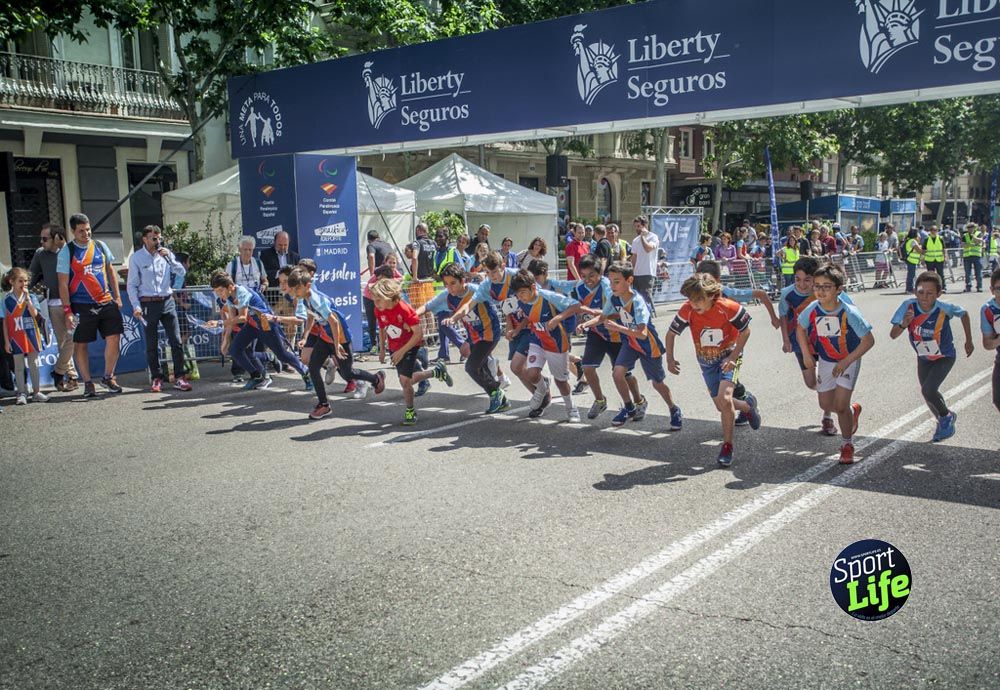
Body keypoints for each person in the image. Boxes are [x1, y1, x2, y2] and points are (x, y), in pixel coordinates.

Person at [666, 273, 759, 466]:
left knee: (724, 400)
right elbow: (671, 334)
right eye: (691, 299)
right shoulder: (687, 310)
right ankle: (747, 406)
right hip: (706, 361)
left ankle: (727, 446)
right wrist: (670, 358)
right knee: (721, 405)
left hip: (728, 357)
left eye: (699, 299)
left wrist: (733, 357)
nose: (695, 304)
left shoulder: (727, 307)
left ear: (711, 295)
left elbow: (746, 330)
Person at [584, 261, 683, 429]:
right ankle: (629, 407)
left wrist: (617, 327)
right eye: (611, 280)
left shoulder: (638, 302)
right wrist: (587, 324)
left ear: (629, 281)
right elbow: (603, 317)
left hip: (647, 345)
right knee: (617, 373)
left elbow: (642, 333)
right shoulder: (614, 298)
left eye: (617, 281)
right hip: (630, 343)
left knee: (658, 383)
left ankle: (674, 409)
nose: (612, 285)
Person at [796, 265, 873, 464]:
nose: (820, 291)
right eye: (817, 286)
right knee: (825, 404)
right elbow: (800, 328)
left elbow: (868, 340)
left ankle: (847, 445)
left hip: (848, 360)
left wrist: (846, 361)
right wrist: (806, 354)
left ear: (838, 289)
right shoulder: (812, 309)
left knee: (839, 405)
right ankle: (852, 411)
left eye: (827, 287)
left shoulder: (849, 312)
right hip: (826, 360)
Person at [288, 267, 385, 419]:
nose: (295, 292)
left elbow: (334, 321)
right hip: (326, 336)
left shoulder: (315, 299)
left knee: (347, 372)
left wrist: (336, 344)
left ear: (307, 286)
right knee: (313, 368)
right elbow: (311, 317)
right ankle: (324, 405)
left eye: (297, 289)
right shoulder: (305, 299)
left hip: (339, 338)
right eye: (293, 289)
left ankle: (376, 378)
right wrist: (306, 336)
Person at [890, 270, 974, 442]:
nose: (924, 297)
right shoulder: (908, 307)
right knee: (928, 393)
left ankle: (945, 418)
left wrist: (969, 340)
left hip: (945, 356)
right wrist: (904, 323)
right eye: (920, 292)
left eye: (930, 293)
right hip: (924, 357)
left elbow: (964, 314)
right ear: (915, 291)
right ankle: (946, 416)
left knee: (929, 389)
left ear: (939, 294)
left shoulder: (944, 308)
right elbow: (893, 334)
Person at [695, 258, 778, 426]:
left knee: (725, 388)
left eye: (707, 280)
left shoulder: (727, 293)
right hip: (710, 351)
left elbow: (761, 294)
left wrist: (774, 318)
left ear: (717, 281)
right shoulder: (696, 297)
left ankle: (747, 405)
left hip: (731, 348)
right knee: (729, 383)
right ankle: (747, 401)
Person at [57, 212, 124, 398]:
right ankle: (87, 383)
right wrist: (67, 311)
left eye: (88, 230)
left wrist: (117, 297)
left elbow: (111, 271)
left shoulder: (100, 246)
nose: (86, 234)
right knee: (81, 344)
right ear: (73, 231)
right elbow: (62, 283)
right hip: (81, 305)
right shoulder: (67, 251)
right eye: (81, 231)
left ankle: (108, 376)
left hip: (105, 300)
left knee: (114, 338)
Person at [429, 263, 510, 414]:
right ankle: (501, 399)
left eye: (453, 283)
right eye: (446, 284)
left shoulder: (475, 290)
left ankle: (495, 392)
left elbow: (496, 297)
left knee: (471, 366)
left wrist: (453, 319)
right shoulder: (449, 297)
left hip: (489, 333)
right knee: (481, 367)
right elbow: (428, 305)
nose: (450, 287)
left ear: (462, 280)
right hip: (474, 336)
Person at [210, 271, 310, 391]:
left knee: (282, 355)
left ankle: (306, 373)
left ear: (230, 287)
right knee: (235, 349)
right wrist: (225, 338)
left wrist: (219, 323)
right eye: (217, 292)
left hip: (266, 324)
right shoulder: (229, 297)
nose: (219, 294)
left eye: (221, 291)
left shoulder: (241, 292)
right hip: (252, 325)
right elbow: (232, 319)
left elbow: (242, 317)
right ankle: (257, 376)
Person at [371, 277, 451, 425]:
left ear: (388, 296)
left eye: (378, 300)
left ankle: (410, 411)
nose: (375, 304)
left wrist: (402, 351)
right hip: (394, 347)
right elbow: (382, 328)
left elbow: (418, 334)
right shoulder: (379, 309)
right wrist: (382, 349)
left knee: (404, 380)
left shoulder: (404, 308)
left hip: (410, 345)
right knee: (408, 380)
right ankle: (436, 372)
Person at [572, 255, 642, 420]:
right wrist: (582, 319)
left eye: (592, 276)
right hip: (597, 333)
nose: (588, 280)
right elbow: (582, 308)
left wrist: (593, 315)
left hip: (617, 335)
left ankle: (638, 401)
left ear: (600, 273)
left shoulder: (608, 287)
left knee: (623, 374)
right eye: (584, 276)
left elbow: (617, 313)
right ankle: (600, 400)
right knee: (588, 367)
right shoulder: (580, 287)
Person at [126, 225, 193, 393]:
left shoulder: (166, 253)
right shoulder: (136, 258)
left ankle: (180, 377)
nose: (157, 242)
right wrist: (136, 305)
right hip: (148, 303)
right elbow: (132, 285)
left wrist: (169, 259)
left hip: (167, 300)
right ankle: (157, 377)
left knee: (176, 340)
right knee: (152, 343)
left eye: (159, 238)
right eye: (154, 238)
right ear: (145, 239)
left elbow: (181, 272)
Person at [511, 269, 584, 421]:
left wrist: (557, 318)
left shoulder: (548, 296)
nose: (520, 297)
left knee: (561, 381)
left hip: (556, 343)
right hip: (537, 340)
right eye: (518, 294)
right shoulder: (520, 300)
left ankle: (571, 409)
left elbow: (576, 306)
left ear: (533, 287)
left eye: (523, 292)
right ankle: (542, 389)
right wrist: (517, 329)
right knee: (531, 373)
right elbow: (529, 316)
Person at [29, 223, 78, 391]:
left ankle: (58, 372)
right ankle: (71, 376)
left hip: (73, 302)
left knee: (73, 339)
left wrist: (63, 246)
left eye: (45, 239)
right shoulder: (40, 254)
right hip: (53, 303)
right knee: (63, 342)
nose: (41, 242)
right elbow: (31, 277)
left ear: (57, 238)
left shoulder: (70, 251)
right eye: (40, 239)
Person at [2, 267, 48, 405]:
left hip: (31, 334)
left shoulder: (32, 297)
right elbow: (4, 321)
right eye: (20, 281)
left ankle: (36, 391)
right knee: (19, 366)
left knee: (34, 363)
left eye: (26, 281)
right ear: (12, 282)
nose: (24, 284)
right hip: (15, 336)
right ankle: (21, 392)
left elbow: (35, 314)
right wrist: (6, 341)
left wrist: (28, 299)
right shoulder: (6, 299)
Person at [629, 215, 659, 313]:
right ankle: (640, 315)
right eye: (636, 226)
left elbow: (648, 249)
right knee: (637, 296)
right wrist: (631, 272)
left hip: (648, 273)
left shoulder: (653, 237)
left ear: (645, 225)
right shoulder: (635, 240)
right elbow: (634, 257)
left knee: (646, 295)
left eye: (638, 226)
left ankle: (650, 314)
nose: (637, 229)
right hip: (637, 273)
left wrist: (643, 237)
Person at [981, 267, 1000, 413]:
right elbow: (987, 344)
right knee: (998, 399)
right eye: (999, 289)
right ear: (992, 290)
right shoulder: (988, 310)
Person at [961, 222, 984, 293]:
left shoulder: (978, 233)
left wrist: (974, 238)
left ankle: (979, 287)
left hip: (977, 256)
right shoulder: (965, 235)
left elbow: (980, 241)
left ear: (975, 228)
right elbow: (963, 245)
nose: (970, 229)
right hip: (967, 256)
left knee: (978, 272)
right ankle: (968, 286)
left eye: (972, 227)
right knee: (967, 273)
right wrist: (973, 244)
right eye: (969, 228)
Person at [902, 228, 921, 293]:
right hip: (911, 260)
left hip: (910, 259)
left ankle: (910, 288)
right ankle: (909, 289)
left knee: (911, 274)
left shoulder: (908, 240)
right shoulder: (913, 241)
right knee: (911, 275)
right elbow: (919, 250)